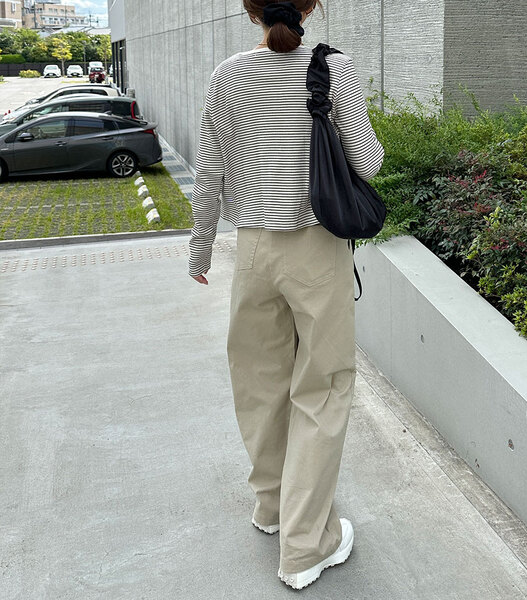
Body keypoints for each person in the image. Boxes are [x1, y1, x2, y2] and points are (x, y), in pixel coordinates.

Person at [188, 0, 384, 590]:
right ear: (311, 4)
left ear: (250, 10)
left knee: (259, 384)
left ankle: (272, 506)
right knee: (321, 391)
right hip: (315, 247)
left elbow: (209, 169)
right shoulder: (333, 68)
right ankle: (305, 546)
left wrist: (201, 246)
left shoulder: (227, 74)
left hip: (253, 250)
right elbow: (368, 162)